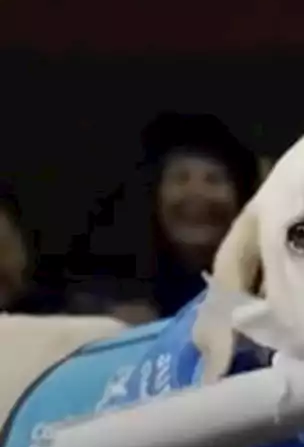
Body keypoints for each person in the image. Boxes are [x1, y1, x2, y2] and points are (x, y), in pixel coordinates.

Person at [65, 112, 261, 323]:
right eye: (180, 178)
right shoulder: (103, 287)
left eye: (214, 179)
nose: (197, 192)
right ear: (154, 196)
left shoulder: (270, 286)